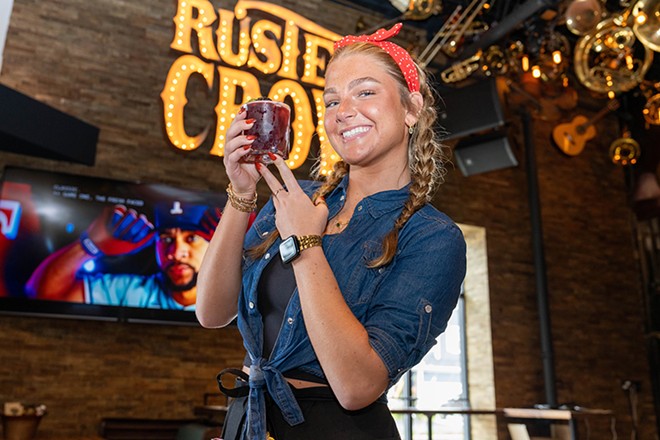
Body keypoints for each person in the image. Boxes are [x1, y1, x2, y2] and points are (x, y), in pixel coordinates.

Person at [196, 23, 467, 440]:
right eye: (332, 100)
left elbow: (358, 386)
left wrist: (307, 246)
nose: (343, 111)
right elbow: (211, 313)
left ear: (412, 108)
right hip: (249, 419)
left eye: (365, 92)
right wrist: (242, 191)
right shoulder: (295, 198)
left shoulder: (432, 237)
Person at [26, 201, 223, 309]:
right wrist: (90, 246)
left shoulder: (232, 298)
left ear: (211, 244)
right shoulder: (129, 290)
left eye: (191, 239)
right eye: (166, 239)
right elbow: (43, 295)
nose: (176, 253)